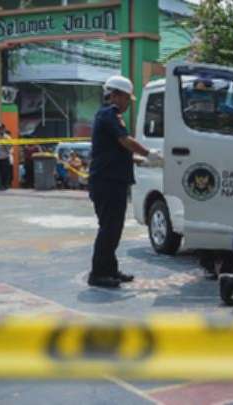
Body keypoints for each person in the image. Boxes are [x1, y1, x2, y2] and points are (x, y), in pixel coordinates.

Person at [87, 75, 163, 288]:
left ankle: (109, 269)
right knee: (109, 228)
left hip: (111, 181)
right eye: (127, 98)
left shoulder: (108, 116)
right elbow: (124, 141)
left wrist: (140, 160)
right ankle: (98, 273)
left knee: (113, 228)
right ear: (115, 95)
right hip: (108, 182)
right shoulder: (109, 114)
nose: (128, 103)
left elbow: (116, 151)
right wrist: (148, 153)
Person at [0, 126, 12, 190]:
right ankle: (2, 185)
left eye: (1, 129)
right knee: (1, 172)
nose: (0, 130)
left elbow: (9, 147)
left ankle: (6, 185)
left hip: (5, 157)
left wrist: (5, 144)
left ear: (4, 129)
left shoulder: (7, 137)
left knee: (5, 172)